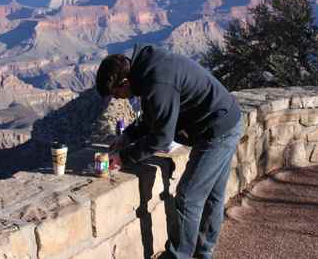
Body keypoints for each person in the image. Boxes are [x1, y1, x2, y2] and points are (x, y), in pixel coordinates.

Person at [96, 43, 243, 259]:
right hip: (224, 120)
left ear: (125, 82)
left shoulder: (157, 80)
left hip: (217, 130)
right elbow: (154, 116)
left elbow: (161, 137)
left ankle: (179, 255)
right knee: (213, 196)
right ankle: (204, 253)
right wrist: (127, 136)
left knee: (188, 197)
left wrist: (123, 158)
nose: (118, 99)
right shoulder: (147, 70)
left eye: (116, 93)